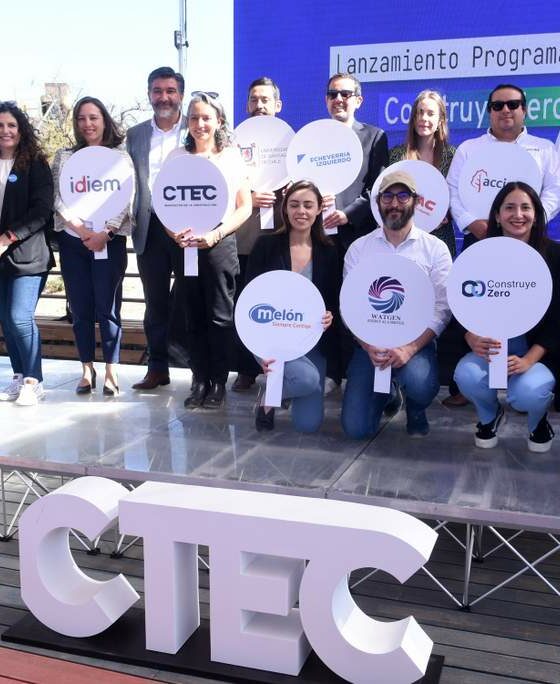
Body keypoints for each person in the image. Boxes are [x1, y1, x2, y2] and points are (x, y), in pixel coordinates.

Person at [341, 171, 452, 439]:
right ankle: (389, 395)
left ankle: (416, 407)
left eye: (403, 196)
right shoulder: (359, 249)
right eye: (387, 196)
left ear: (416, 201)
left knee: (420, 384)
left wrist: (410, 348)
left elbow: (442, 309)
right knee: (356, 430)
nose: (394, 203)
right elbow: (348, 305)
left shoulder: (435, 249)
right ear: (378, 202)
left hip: (415, 344)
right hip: (369, 346)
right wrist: (368, 345)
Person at [454, 181, 558, 452]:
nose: (518, 215)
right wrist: (471, 336)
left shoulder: (555, 256)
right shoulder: (477, 256)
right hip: (489, 350)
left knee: (528, 393)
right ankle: (489, 416)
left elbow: (558, 319)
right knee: (467, 375)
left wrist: (529, 359)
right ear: (497, 216)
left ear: (536, 215)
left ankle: (537, 422)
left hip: (535, 351)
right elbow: (460, 303)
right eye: (509, 207)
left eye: (526, 208)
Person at [167, 92, 251, 408]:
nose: (200, 124)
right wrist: (174, 234)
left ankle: (218, 382)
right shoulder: (176, 157)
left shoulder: (231, 157)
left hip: (219, 244)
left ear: (219, 121)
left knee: (219, 317)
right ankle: (199, 379)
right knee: (192, 315)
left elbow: (244, 206)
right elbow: (164, 204)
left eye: (206, 117)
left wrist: (217, 234)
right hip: (185, 246)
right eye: (194, 117)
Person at [51, 97, 133, 396]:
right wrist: (82, 231)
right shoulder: (64, 156)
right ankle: (87, 369)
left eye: (93, 117)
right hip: (73, 242)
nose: (88, 124)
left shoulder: (120, 157)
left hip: (109, 242)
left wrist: (105, 232)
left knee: (108, 308)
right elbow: (58, 198)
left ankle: (111, 369)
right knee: (80, 308)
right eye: (82, 118)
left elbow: (126, 197)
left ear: (104, 120)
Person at [245, 180, 339, 432]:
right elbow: (247, 300)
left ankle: (275, 391)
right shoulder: (265, 246)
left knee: (308, 424)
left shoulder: (329, 252)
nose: (301, 211)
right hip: (268, 337)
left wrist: (329, 317)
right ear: (285, 208)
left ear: (319, 209)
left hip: (308, 340)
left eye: (308, 205)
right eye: (294, 205)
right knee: (307, 379)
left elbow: (332, 303)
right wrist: (259, 349)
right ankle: (270, 399)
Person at [126, 66, 187, 391]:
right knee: (155, 303)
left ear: (181, 95)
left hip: (189, 230)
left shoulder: (197, 127)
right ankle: (157, 367)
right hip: (149, 229)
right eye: (157, 91)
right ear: (149, 95)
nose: (164, 97)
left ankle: (199, 370)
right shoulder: (134, 135)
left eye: (170, 91)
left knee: (192, 299)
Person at [447, 84, 560, 251]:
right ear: (490, 112)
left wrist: (532, 220)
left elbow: (555, 190)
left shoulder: (545, 148)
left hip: (531, 238)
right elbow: (452, 190)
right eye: (498, 106)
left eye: (513, 104)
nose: (505, 110)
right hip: (479, 237)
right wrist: (469, 222)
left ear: (524, 110)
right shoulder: (468, 148)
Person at [232, 77, 284, 392]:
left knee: (277, 307)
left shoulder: (291, 144)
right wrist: (248, 198)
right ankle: (245, 369)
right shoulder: (232, 145)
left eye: (265, 100)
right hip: (243, 240)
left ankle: (281, 372)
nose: (259, 105)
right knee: (243, 306)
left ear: (278, 105)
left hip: (280, 239)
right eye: (254, 99)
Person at [0, 102, 54, 406]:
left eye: (11, 125)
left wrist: (9, 237)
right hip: (1, 258)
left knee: (19, 317)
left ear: (21, 130)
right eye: (0, 126)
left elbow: (42, 210)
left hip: (28, 255)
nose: (5, 131)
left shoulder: (35, 163)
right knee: (5, 320)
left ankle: (35, 381)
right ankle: (19, 376)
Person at [322, 72, 389, 249]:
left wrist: (348, 214)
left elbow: (378, 186)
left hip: (358, 236)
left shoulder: (374, 137)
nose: (338, 99)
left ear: (358, 101)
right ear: (326, 100)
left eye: (345, 94)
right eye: (332, 94)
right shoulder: (313, 137)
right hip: (319, 236)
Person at [388, 90, 456, 257]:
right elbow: (386, 196)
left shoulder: (452, 156)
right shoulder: (397, 156)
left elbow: (459, 198)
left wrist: (447, 214)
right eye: (419, 112)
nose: (423, 118)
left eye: (430, 114)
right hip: (403, 240)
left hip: (440, 238)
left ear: (440, 120)